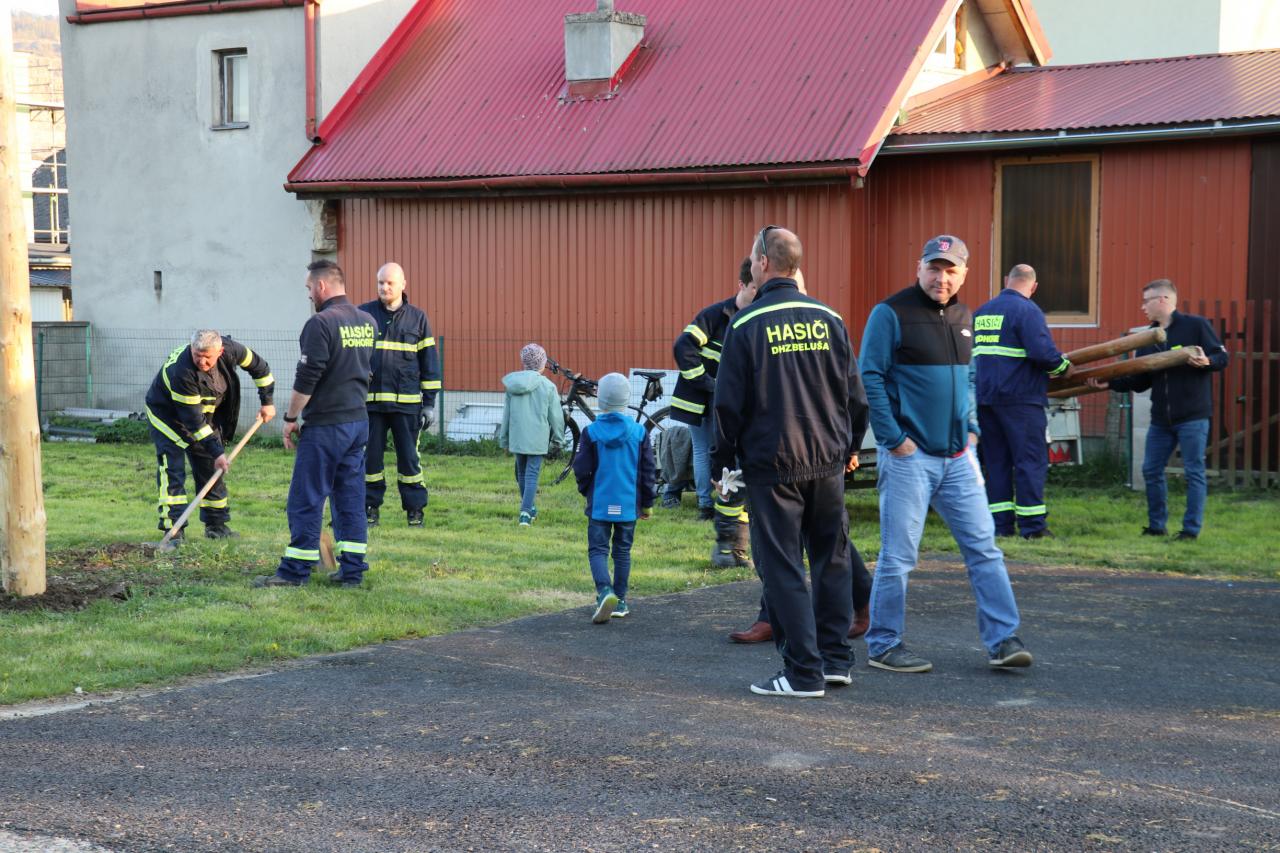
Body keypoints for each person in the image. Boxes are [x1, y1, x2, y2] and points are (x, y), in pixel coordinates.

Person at [860, 235, 1032, 674]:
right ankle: (883, 644)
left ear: (964, 274)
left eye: (951, 270)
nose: (942, 277)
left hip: (958, 459)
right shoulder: (890, 313)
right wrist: (893, 438)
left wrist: (971, 428)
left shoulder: (963, 317)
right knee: (899, 557)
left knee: (985, 550)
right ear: (919, 268)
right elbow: (870, 377)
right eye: (934, 268)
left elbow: (970, 377)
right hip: (909, 458)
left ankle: (1003, 640)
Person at [713, 225, 867, 698]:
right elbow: (854, 396)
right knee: (831, 560)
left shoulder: (745, 325)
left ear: (763, 263)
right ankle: (835, 661)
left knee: (782, 567)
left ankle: (802, 673)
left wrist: (723, 465)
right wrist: (851, 447)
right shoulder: (829, 318)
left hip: (773, 464)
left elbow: (727, 406)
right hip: (827, 462)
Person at [255, 260, 377, 588]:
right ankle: (352, 570)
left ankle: (295, 571)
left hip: (325, 426)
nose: (309, 295)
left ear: (322, 286)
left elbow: (307, 378)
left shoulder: (320, 324)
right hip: (357, 423)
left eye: (309, 288)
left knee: (306, 497)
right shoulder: (368, 322)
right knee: (350, 498)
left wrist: (290, 418)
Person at [1087, 278, 1228, 540]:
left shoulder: (1196, 325)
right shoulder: (1148, 338)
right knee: (1151, 470)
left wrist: (1207, 361)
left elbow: (1222, 357)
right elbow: (1140, 381)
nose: (1143, 307)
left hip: (1192, 416)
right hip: (1161, 419)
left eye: (1146, 301)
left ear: (1163, 300)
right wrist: (1110, 384)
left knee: (1193, 473)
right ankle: (1156, 526)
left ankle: (1190, 530)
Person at [973, 264, 1074, 539]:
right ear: (1034, 286)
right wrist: (1064, 367)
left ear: (1007, 280)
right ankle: (1032, 527)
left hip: (985, 399)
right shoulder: (1027, 310)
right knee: (1030, 461)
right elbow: (1043, 354)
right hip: (1020, 399)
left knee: (996, 463)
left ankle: (1000, 526)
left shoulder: (982, 312)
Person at [144, 330, 275, 539]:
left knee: (210, 466)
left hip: (202, 415)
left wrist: (267, 402)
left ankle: (216, 527)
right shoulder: (182, 372)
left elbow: (260, 368)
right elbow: (193, 421)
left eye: (207, 357)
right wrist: (217, 452)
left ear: (220, 352)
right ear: (191, 348)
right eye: (197, 355)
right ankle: (174, 531)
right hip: (167, 417)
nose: (202, 362)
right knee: (173, 469)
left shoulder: (233, 350)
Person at [667, 258, 757, 525]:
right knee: (703, 450)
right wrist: (708, 383)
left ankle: (733, 502)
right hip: (701, 401)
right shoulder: (715, 315)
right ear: (741, 285)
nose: (759, 293)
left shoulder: (756, 318)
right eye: (754, 287)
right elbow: (683, 347)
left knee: (737, 450)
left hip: (734, 402)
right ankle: (705, 506)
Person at [360, 261, 442, 528]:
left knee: (409, 460)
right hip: (371, 405)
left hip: (407, 406)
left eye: (390, 283)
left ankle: (415, 510)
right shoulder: (364, 315)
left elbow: (429, 363)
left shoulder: (418, 318)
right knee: (370, 460)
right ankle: (369, 507)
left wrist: (429, 404)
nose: (384, 287)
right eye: (381, 282)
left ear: (403, 285)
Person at [572, 373, 657, 623]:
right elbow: (648, 471)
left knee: (598, 549)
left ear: (600, 399)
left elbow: (581, 468)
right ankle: (619, 600)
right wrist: (647, 503)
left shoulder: (590, 432)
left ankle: (604, 591)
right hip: (628, 504)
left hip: (599, 503)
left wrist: (586, 490)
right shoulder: (639, 432)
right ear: (627, 399)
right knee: (622, 551)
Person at [498, 342, 565, 526]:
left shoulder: (512, 385)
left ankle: (529, 507)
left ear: (524, 362)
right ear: (542, 364)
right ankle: (526, 513)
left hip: (517, 436)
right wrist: (558, 439)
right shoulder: (548, 386)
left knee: (521, 472)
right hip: (537, 438)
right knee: (531, 474)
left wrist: (504, 440)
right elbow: (556, 417)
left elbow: (506, 415)